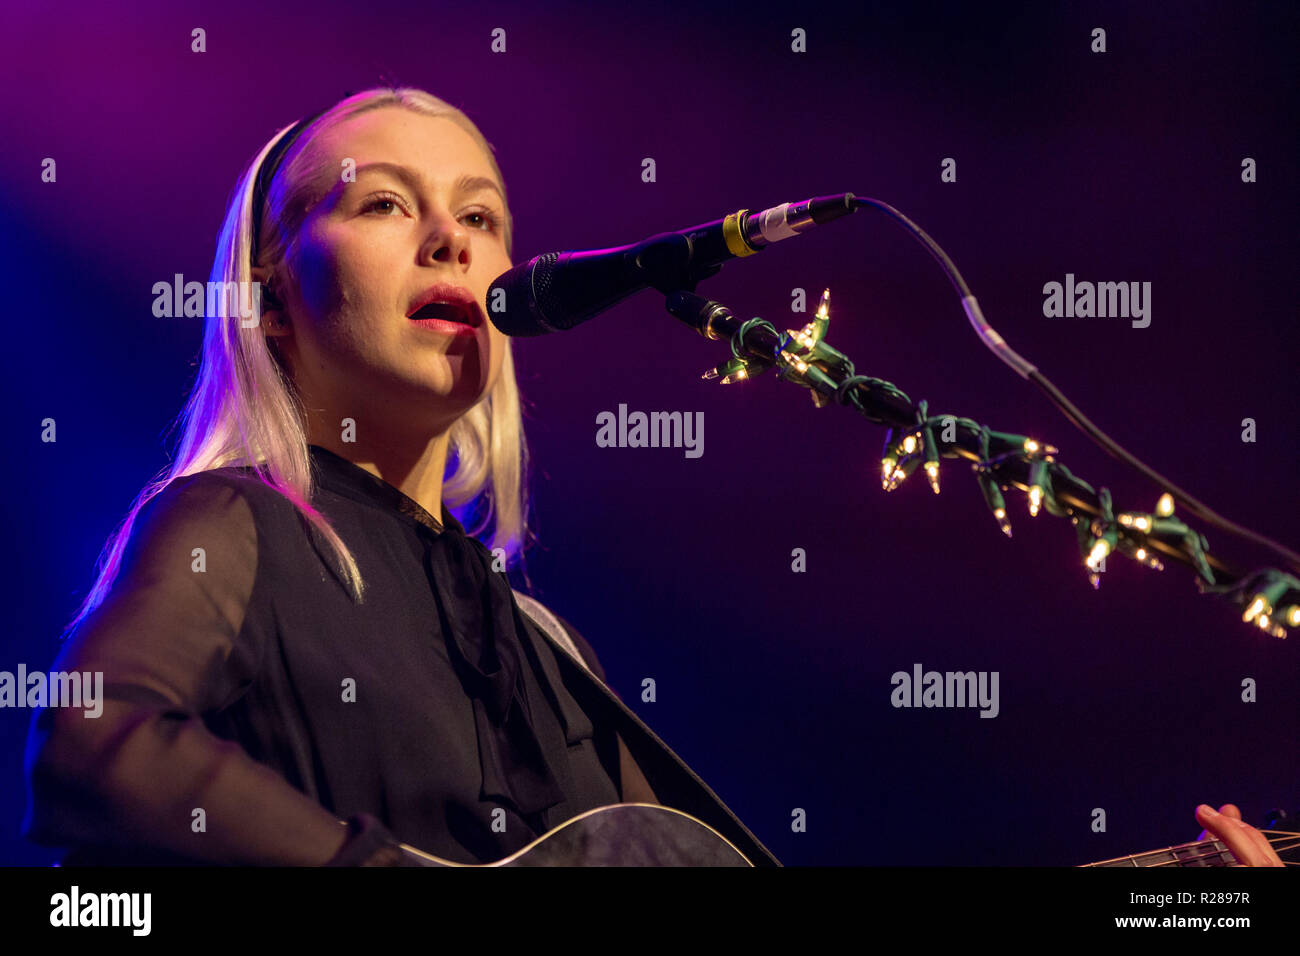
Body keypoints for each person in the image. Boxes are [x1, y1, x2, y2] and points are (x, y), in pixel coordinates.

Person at [21, 86, 1280, 868]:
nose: (455, 236)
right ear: (276, 303)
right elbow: (90, 743)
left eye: (484, 213)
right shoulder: (230, 522)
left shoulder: (545, 649)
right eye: (384, 204)